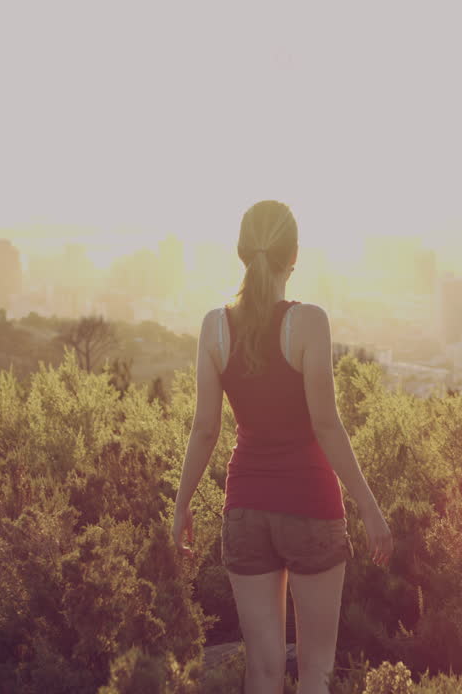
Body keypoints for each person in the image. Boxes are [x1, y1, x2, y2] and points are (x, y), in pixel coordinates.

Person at [172, 200, 393, 694]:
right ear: (293, 256)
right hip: (311, 507)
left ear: (241, 252)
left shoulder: (214, 327)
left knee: (263, 670)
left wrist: (181, 503)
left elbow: (204, 429)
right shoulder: (309, 322)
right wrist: (368, 506)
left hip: (245, 510)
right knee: (316, 670)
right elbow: (327, 426)